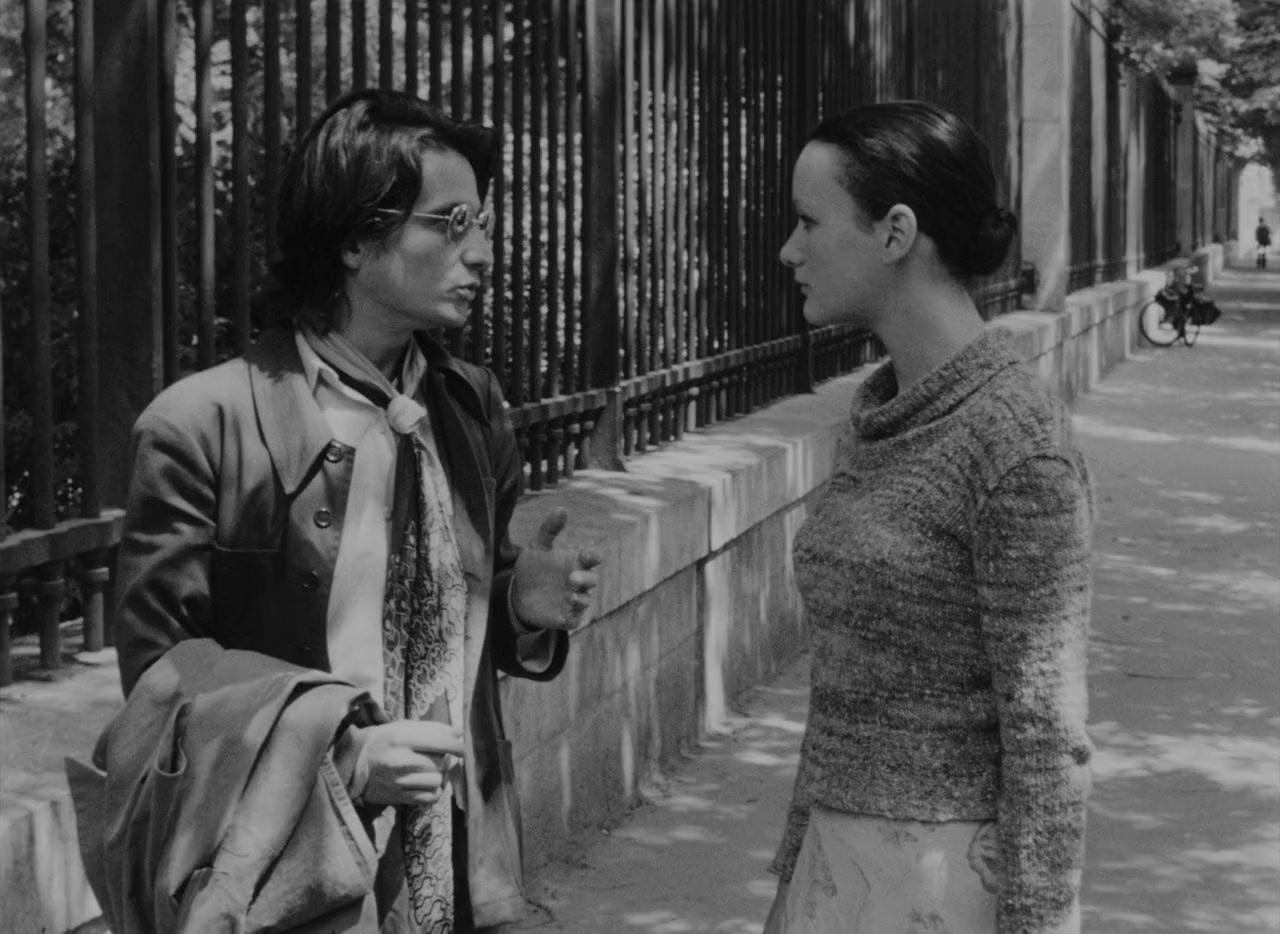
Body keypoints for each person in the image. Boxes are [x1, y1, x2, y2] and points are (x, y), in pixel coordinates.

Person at [110, 88, 600, 931]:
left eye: (482, 223)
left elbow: (460, 627)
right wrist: (346, 752)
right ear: (353, 240)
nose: (482, 253)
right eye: (450, 224)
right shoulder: (201, 426)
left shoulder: (468, 406)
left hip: (450, 859)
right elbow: (162, 686)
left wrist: (520, 606)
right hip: (286, 865)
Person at [766, 101, 1093, 933]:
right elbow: (846, 688)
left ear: (895, 232)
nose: (790, 250)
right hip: (838, 871)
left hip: (940, 887)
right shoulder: (888, 411)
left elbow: (1046, 733)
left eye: (809, 221)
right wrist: (796, 870)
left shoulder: (1014, 444)